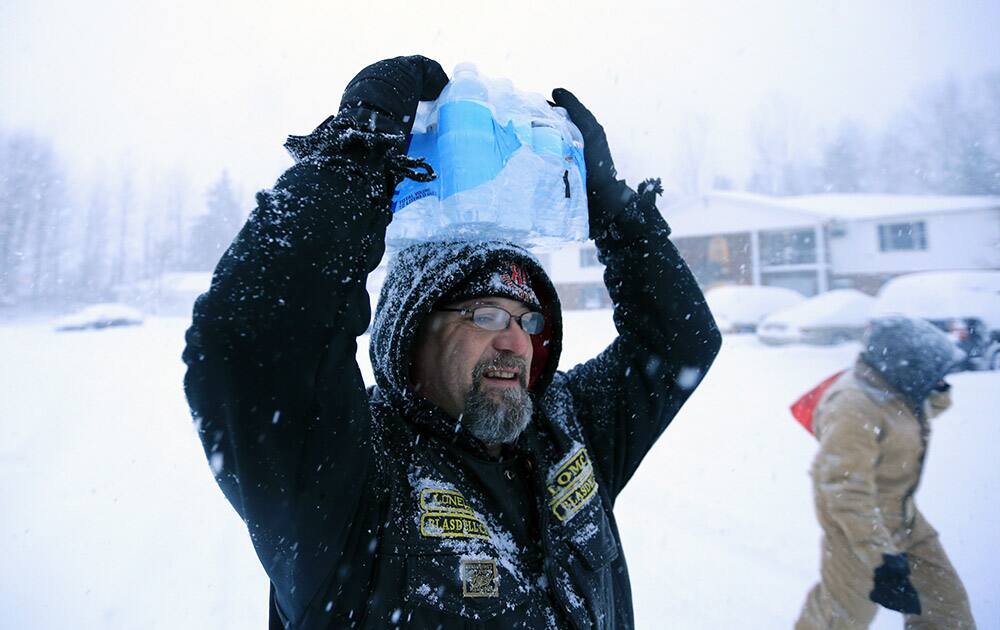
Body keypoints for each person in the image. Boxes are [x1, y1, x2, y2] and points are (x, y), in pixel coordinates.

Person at [184, 55, 721, 629]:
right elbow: (255, 341)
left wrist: (618, 216)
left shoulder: (565, 430)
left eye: (530, 320)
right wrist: (358, 153)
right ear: (412, 330)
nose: (518, 342)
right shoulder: (356, 482)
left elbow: (680, 343)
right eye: (488, 314)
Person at [794, 316, 976, 629]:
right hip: (858, 529)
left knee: (947, 612)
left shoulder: (895, 390)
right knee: (840, 620)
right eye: (931, 369)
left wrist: (938, 385)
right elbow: (844, 489)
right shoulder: (852, 405)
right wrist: (880, 558)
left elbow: (917, 416)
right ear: (906, 364)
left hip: (906, 520)